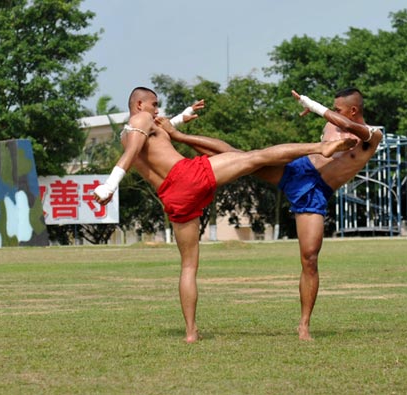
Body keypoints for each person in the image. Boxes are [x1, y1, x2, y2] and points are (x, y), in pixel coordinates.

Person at [93, 86, 358, 343]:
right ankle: (318, 148)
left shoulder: (130, 131)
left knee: (188, 266)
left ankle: (191, 332)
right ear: (139, 105)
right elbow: (132, 151)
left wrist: (182, 117)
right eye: (154, 104)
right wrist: (109, 186)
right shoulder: (141, 118)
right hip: (187, 176)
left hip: (172, 196)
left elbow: (152, 136)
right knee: (255, 157)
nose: (157, 109)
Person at [160, 87, 382, 340]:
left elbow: (341, 122)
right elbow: (335, 121)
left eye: (338, 109)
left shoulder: (372, 135)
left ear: (353, 110)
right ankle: (178, 136)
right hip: (298, 168)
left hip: (316, 191)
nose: (333, 113)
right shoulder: (333, 126)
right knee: (238, 156)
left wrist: (313, 104)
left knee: (309, 258)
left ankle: (304, 325)